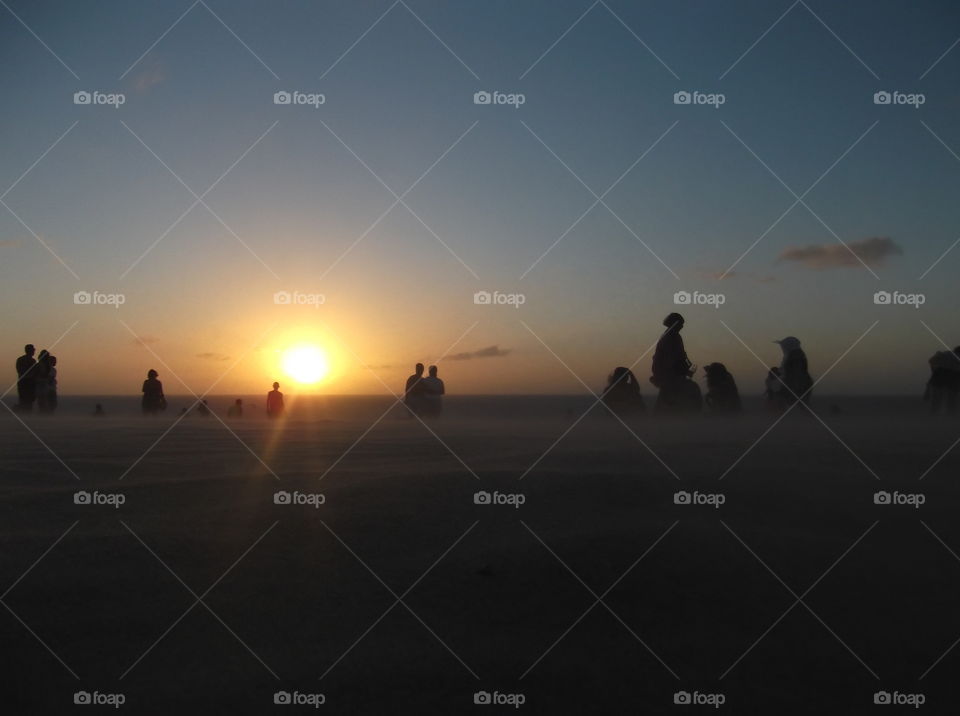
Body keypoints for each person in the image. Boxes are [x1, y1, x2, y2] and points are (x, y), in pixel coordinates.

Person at [650, 313, 701, 414]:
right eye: (681, 324)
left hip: (671, 374)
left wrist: (688, 365)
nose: (682, 326)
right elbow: (674, 357)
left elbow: (682, 355)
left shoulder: (671, 336)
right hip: (670, 375)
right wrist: (685, 368)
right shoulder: (671, 337)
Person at [775, 336, 813, 409]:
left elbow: (795, 372)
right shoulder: (793, 354)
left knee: (797, 408)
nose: (782, 348)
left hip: (798, 385)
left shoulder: (795, 355)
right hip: (798, 384)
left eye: (783, 345)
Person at [925, 347, 960, 415]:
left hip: (941, 376)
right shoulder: (947, 355)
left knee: (938, 400)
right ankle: (948, 415)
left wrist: (934, 370)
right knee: (950, 398)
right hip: (948, 377)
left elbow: (931, 361)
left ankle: (935, 415)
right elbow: (931, 361)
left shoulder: (945, 354)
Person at [15, 344, 36, 411]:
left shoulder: (20, 359)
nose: (34, 351)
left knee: (25, 401)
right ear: (29, 350)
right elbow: (20, 371)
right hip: (27, 382)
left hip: (25, 381)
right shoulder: (32, 361)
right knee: (27, 401)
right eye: (33, 349)